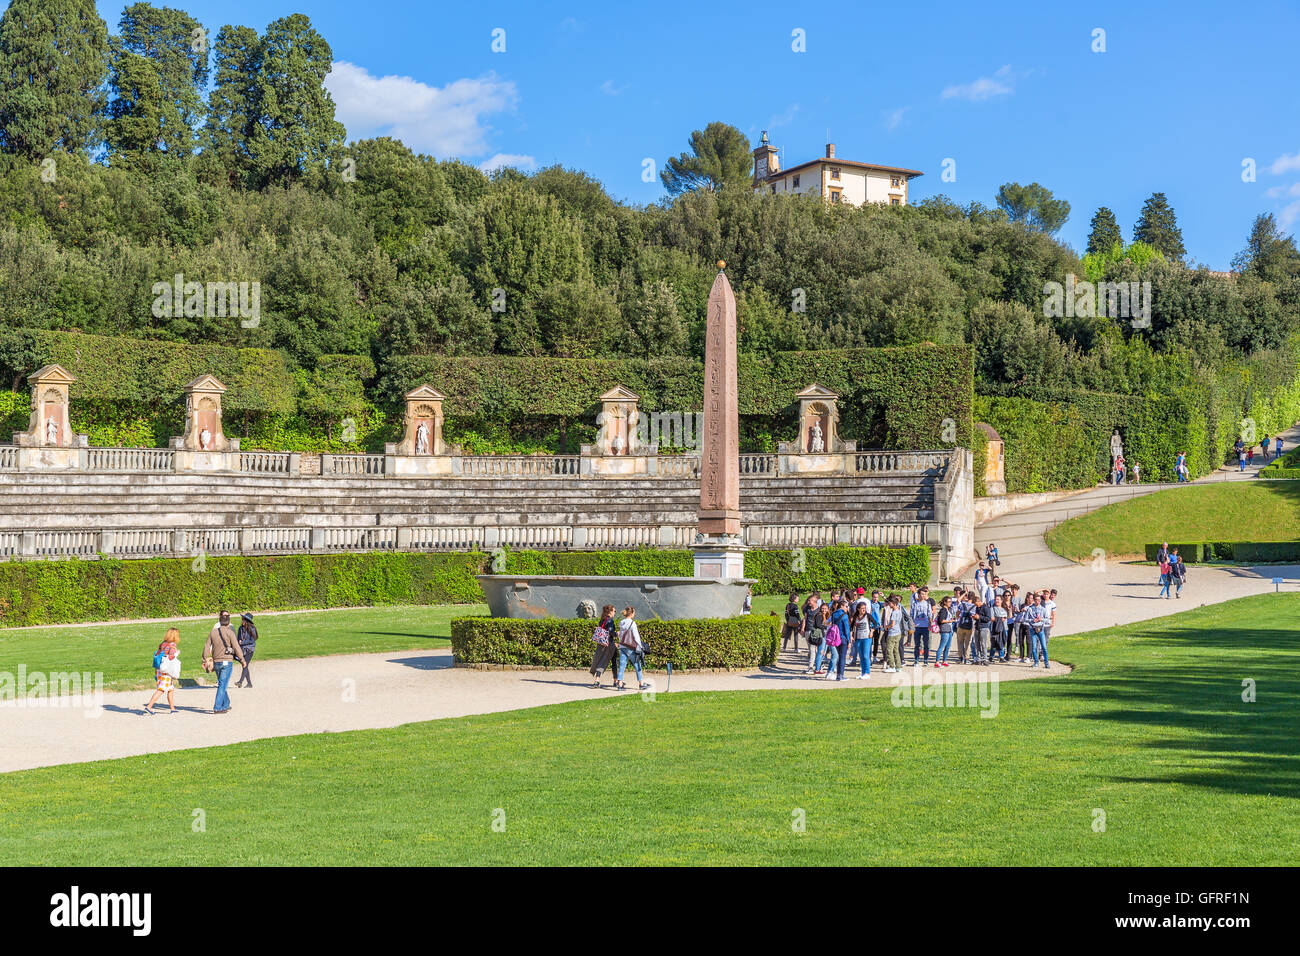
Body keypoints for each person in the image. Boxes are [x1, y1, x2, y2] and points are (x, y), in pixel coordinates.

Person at [202, 611, 245, 714]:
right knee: (223, 684)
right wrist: (242, 660)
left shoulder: (213, 632)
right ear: (228, 622)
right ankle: (217, 707)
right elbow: (236, 647)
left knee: (222, 683)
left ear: (219, 621)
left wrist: (204, 658)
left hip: (216, 662)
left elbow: (207, 646)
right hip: (227, 661)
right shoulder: (230, 632)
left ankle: (226, 704)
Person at [144, 628, 181, 715]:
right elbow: (171, 657)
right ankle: (149, 707)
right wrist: (177, 653)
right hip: (166, 671)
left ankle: (172, 708)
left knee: (170, 689)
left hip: (159, 670)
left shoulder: (163, 644)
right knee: (161, 689)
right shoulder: (172, 645)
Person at [615, 606, 647, 691]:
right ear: (632, 613)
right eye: (634, 612)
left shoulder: (621, 622)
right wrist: (640, 646)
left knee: (622, 666)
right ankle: (641, 683)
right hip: (631, 647)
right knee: (637, 665)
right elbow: (636, 636)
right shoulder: (632, 623)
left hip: (622, 646)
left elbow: (621, 635)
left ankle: (620, 684)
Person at [589, 604, 618, 687]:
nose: (614, 613)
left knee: (602, 661)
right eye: (614, 611)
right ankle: (615, 681)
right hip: (610, 644)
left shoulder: (602, 620)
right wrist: (616, 634)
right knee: (613, 662)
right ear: (610, 611)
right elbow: (610, 631)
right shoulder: (610, 620)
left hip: (602, 643)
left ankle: (597, 680)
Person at [851, 601, 875, 678]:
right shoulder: (855, 616)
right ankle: (863, 672)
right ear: (858, 609)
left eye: (865, 608)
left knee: (865, 655)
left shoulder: (867, 616)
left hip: (867, 637)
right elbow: (851, 627)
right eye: (862, 608)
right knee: (861, 656)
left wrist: (872, 631)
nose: (864, 610)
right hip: (858, 638)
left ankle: (867, 673)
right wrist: (851, 636)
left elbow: (875, 623)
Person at [909, 587, 933, 666]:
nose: (923, 595)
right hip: (917, 627)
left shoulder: (927, 604)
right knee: (917, 644)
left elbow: (930, 615)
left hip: (925, 626)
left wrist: (930, 624)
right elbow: (911, 615)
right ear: (918, 594)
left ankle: (926, 660)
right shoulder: (914, 604)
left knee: (926, 645)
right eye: (922, 594)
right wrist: (912, 624)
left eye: (925, 594)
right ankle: (916, 660)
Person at [830, 599, 852, 681]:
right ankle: (840, 675)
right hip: (843, 638)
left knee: (838, 657)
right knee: (842, 657)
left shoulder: (833, 614)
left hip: (835, 638)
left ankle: (838, 675)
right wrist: (849, 641)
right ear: (842, 606)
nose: (847, 608)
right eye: (846, 606)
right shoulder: (844, 616)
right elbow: (847, 629)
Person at [234, 612, 258, 688]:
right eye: (242, 619)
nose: (242, 621)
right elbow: (238, 639)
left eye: (243, 619)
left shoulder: (252, 629)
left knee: (245, 665)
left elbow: (252, 640)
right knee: (244, 665)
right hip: (242, 649)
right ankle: (249, 683)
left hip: (250, 649)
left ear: (247, 621)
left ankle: (240, 681)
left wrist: (242, 642)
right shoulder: (240, 628)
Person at [881, 595, 903, 674]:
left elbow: (892, 624)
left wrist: (887, 627)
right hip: (898, 632)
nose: (888, 605)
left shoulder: (894, 612)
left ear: (893, 603)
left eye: (890, 603)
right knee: (895, 650)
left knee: (889, 650)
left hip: (892, 633)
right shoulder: (899, 610)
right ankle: (898, 666)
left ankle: (891, 666)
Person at [821, 605, 844, 680]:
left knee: (835, 655)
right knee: (835, 655)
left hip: (835, 638)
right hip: (832, 638)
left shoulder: (834, 616)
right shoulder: (833, 616)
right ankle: (830, 672)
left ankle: (831, 671)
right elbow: (825, 623)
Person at [934, 596, 954, 667]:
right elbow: (941, 620)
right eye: (949, 602)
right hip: (944, 629)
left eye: (951, 602)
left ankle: (944, 661)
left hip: (949, 630)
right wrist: (950, 620)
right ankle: (937, 662)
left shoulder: (947, 610)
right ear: (945, 602)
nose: (950, 603)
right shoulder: (943, 610)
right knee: (942, 646)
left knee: (947, 646)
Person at [972, 596, 992, 665]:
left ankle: (985, 658)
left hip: (984, 627)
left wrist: (979, 617)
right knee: (977, 643)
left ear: (978, 601)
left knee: (983, 643)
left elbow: (988, 618)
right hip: (977, 627)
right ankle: (979, 658)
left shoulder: (986, 608)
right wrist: (975, 617)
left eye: (975, 603)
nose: (975, 605)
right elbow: (977, 617)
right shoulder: (977, 608)